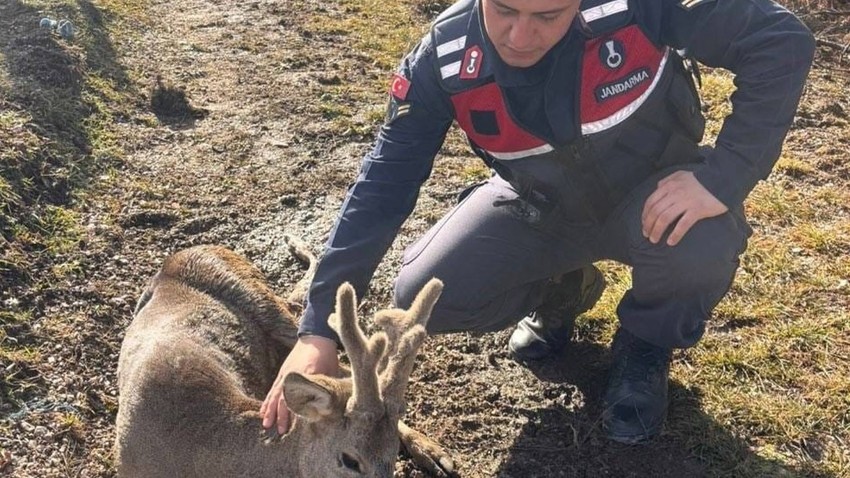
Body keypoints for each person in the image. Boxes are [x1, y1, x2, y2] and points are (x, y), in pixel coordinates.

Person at [261, 0, 815, 444]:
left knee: (701, 243)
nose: (520, 37)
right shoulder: (443, 58)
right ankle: (565, 290)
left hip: (653, 197)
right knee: (427, 293)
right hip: (541, 206)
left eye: (547, 16)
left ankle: (645, 345)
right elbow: (382, 187)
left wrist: (723, 176)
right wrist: (317, 328)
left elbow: (779, 41)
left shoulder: (637, 6)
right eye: (503, 10)